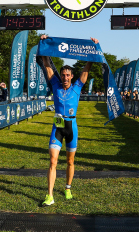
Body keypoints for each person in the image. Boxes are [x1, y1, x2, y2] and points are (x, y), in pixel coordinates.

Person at [39, 35, 97, 206]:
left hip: (72, 126)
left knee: (70, 161)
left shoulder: (78, 86)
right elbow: (47, 65)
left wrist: (93, 49)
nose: (64, 77)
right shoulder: (55, 85)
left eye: (67, 75)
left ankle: (68, 187)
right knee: (52, 161)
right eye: (63, 75)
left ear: (72, 76)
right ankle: (49, 195)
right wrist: (43, 44)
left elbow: (87, 67)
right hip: (57, 126)